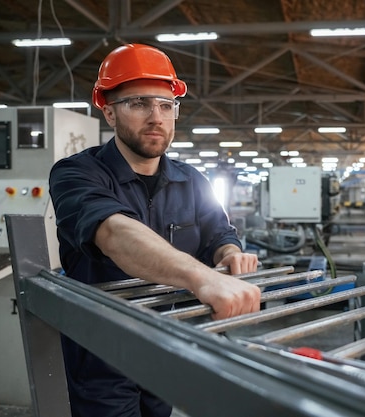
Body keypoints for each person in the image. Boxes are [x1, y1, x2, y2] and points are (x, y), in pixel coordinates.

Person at [49, 43, 261, 417]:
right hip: (102, 353)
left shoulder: (192, 179)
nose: (156, 117)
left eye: (166, 106)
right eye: (139, 103)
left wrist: (229, 254)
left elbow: (218, 233)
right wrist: (202, 278)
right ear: (109, 112)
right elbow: (114, 232)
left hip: (166, 340)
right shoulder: (76, 174)